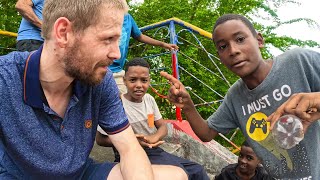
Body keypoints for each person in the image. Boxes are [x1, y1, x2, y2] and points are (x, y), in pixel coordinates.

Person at [0, 0, 189, 179]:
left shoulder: (100, 80)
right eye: (108, 39)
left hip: (80, 175)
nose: (116, 54)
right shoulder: (5, 78)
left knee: (176, 175)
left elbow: (129, 148)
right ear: (64, 32)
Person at [160, 13, 320, 179]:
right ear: (220, 57)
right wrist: (187, 105)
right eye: (223, 47)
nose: (233, 51)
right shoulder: (235, 97)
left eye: (240, 39)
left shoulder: (299, 62)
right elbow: (206, 133)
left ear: (259, 40)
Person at [96, 57, 209, 180]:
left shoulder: (149, 100)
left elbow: (162, 126)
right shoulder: (117, 104)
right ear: (124, 80)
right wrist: (131, 140)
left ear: (149, 81)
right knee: (180, 173)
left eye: (144, 80)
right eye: (133, 80)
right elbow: (100, 139)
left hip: (154, 151)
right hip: (130, 154)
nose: (139, 85)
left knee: (197, 170)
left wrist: (153, 138)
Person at [109, 13, 179, 93]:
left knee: (122, 100)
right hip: (100, 67)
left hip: (117, 71)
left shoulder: (128, 18)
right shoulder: (104, 13)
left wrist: (163, 44)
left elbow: (140, 36)